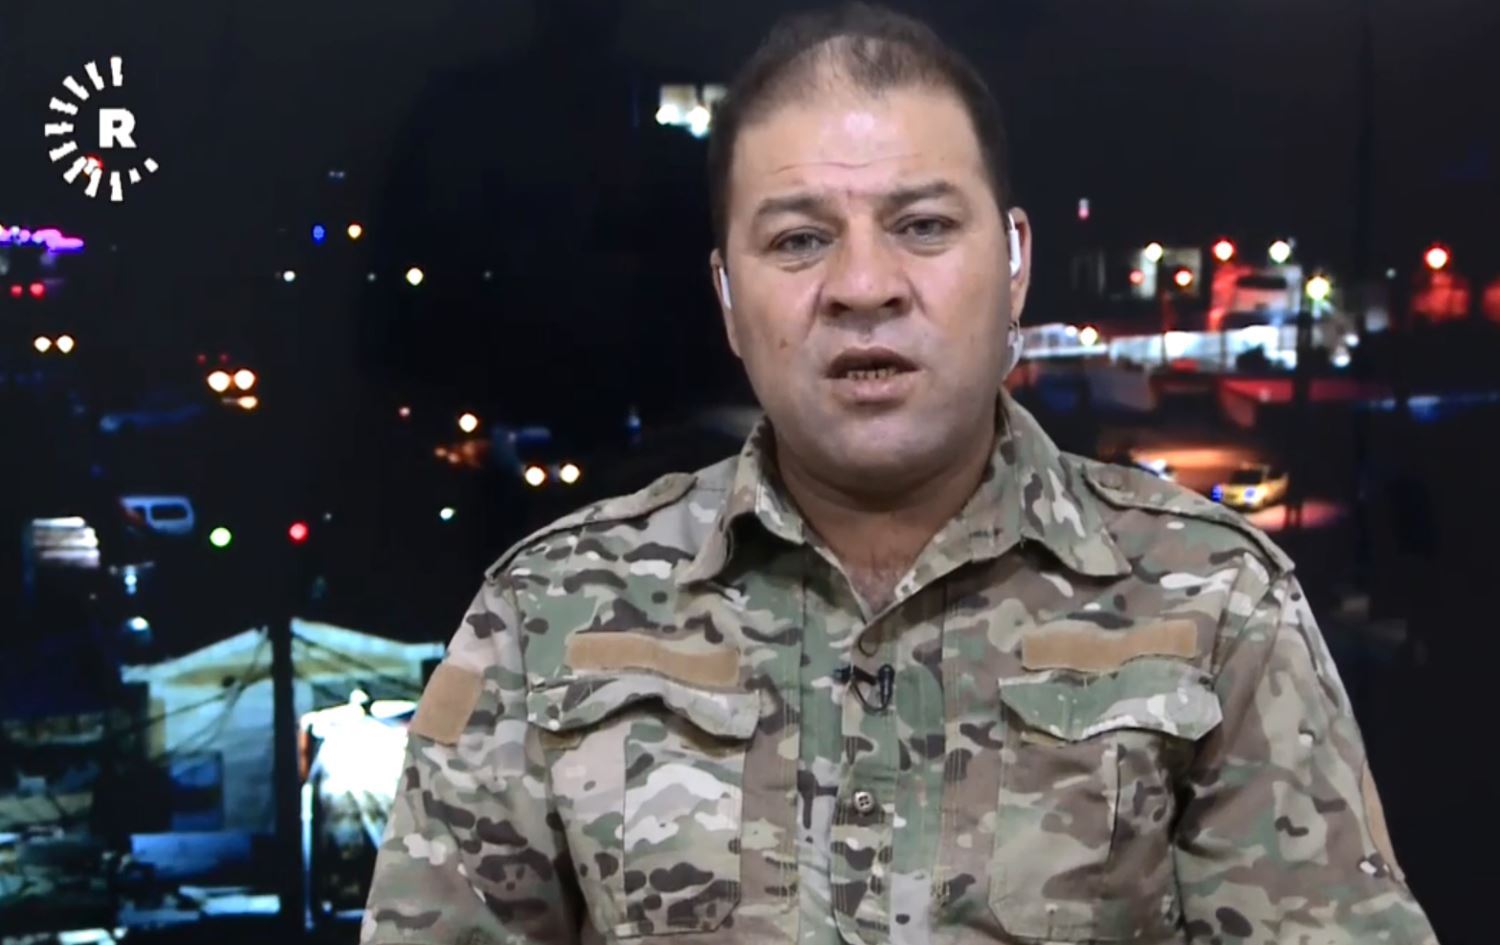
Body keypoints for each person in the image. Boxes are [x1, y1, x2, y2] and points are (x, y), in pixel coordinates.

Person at [362, 5, 1438, 943]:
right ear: (728, 297)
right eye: (799, 241)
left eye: (923, 227)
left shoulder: (1215, 605)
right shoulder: (547, 617)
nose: (864, 285)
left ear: (1015, 263)